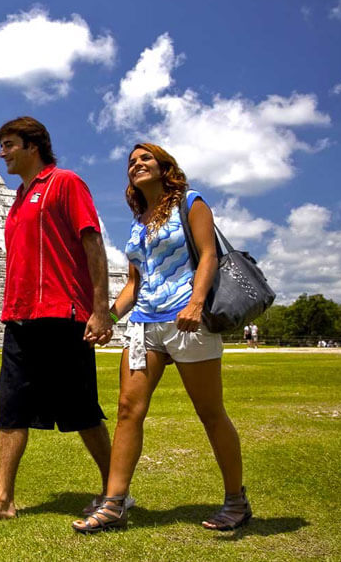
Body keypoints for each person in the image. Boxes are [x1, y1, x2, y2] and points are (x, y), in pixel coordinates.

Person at [73, 143, 250, 534]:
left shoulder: (191, 202)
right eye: (131, 163)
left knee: (210, 412)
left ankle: (236, 500)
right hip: (145, 324)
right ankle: (115, 502)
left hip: (187, 321)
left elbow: (208, 256)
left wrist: (196, 303)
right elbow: (134, 283)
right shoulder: (139, 220)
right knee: (126, 410)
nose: (136, 165)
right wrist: (106, 317)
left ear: (164, 166)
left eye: (145, 159)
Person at [0, 117, 114, 523]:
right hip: (20, 318)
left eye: (8, 144)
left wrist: (100, 307)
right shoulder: (19, 199)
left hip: (62, 315)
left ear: (32, 145)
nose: (1, 153)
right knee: (11, 409)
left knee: (82, 411)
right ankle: (2, 499)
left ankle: (115, 489)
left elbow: (92, 242)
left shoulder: (66, 183)